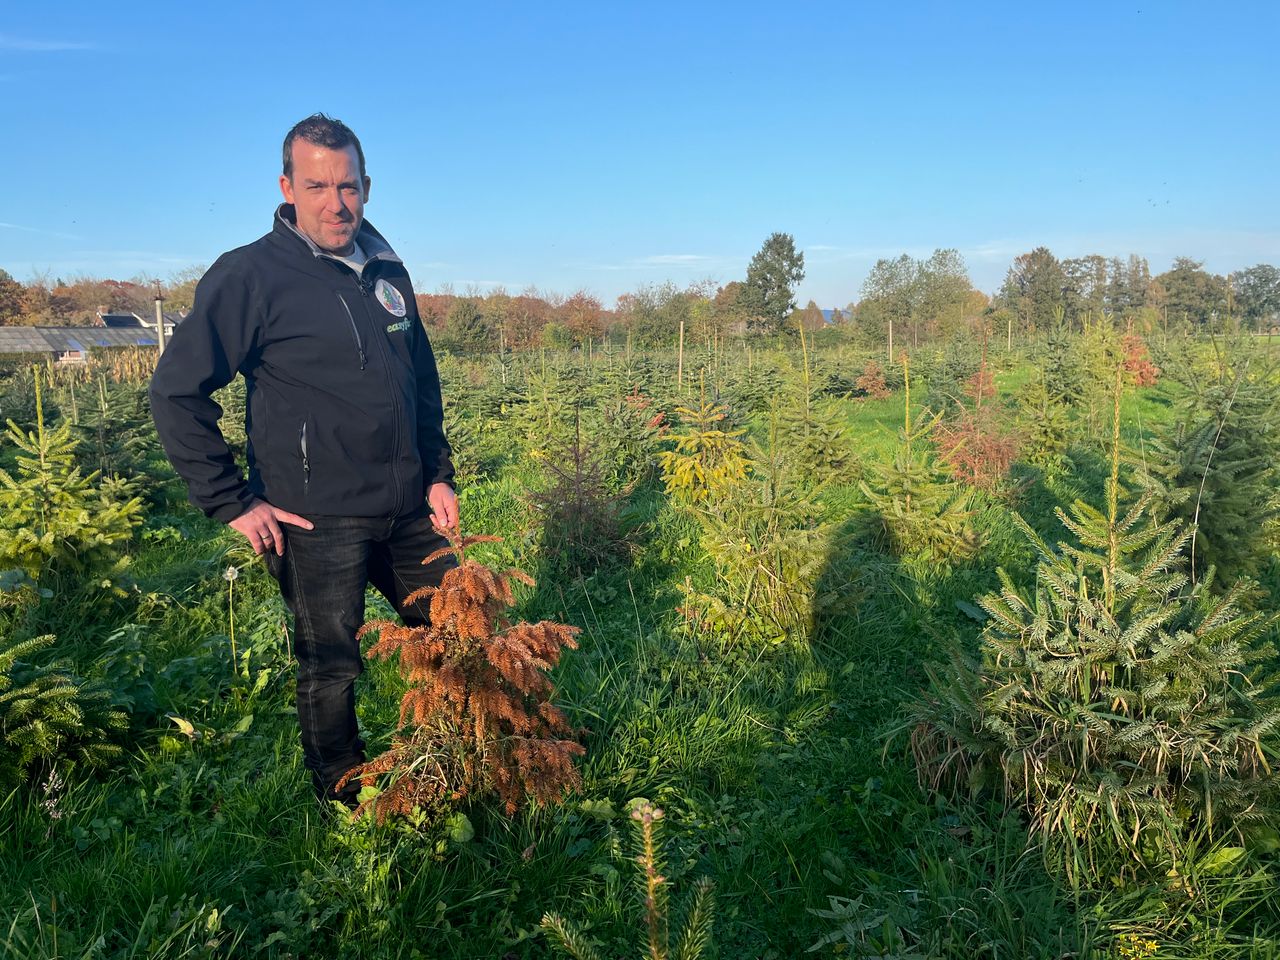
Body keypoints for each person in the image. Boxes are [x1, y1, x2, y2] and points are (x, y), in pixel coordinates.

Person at [150, 114, 458, 809]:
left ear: (367, 187)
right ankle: (344, 800)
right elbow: (175, 391)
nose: (335, 202)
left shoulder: (385, 268)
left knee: (454, 638)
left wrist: (437, 471)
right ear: (288, 187)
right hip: (315, 518)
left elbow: (421, 380)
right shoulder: (249, 276)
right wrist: (232, 500)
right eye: (316, 185)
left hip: (410, 507)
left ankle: (455, 762)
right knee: (331, 664)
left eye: (347, 185)